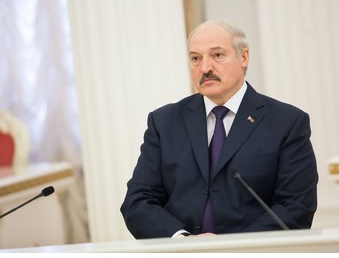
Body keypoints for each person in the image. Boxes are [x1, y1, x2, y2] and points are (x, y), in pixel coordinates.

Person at [120, 20, 318, 239]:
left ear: (243, 58)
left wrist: (232, 248)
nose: (205, 68)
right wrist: (183, 241)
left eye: (217, 55)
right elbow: (138, 201)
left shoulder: (286, 123)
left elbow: (296, 207)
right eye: (196, 58)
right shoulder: (164, 122)